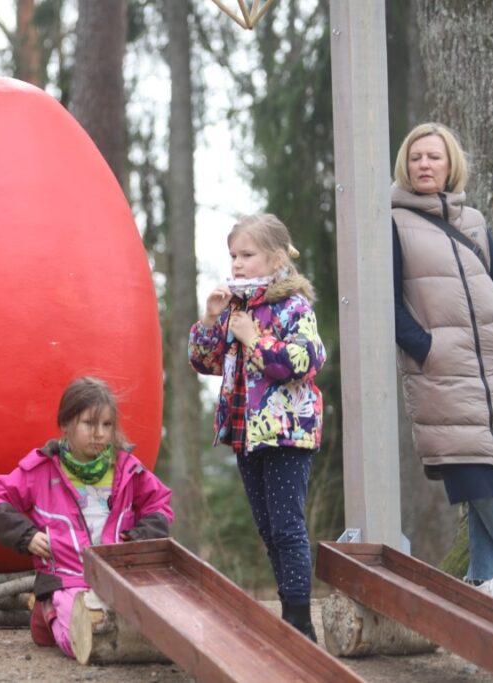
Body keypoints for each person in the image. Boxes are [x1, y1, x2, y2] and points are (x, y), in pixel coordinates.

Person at [391, 122, 493, 607]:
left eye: (434, 156)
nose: (425, 165)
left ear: (451, 163)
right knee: (473, 469)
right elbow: (387, 303)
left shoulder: (474, 221)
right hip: (444, 373)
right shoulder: (391, 223)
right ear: (405, 166)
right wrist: (425, 347)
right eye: (416, 158)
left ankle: (488, 578)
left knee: (491, 467)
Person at [188, 214, 325, 641]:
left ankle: (300, 622)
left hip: (286, 432)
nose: (237, 264)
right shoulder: (236, 308)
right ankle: (289, 613)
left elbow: (303, 362)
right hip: (245, 433)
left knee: (287, 528)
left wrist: (254, 340)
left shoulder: (294, 306)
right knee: (268, 529)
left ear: (277, 257)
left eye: (247, 255)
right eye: (233, 256)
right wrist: (211, 321)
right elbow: (204, 362)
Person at [0, 377, 173, 658]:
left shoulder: (127, 469)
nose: (99, 434)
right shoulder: (42, 469)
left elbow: (159, 503)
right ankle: (48, 613)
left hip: (118, 575)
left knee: (158, 629)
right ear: (66, 424)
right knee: (87, 639)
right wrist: (27, 536)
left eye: (107, 425)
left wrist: (139, 538)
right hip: (66, 578)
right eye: (89, 424)